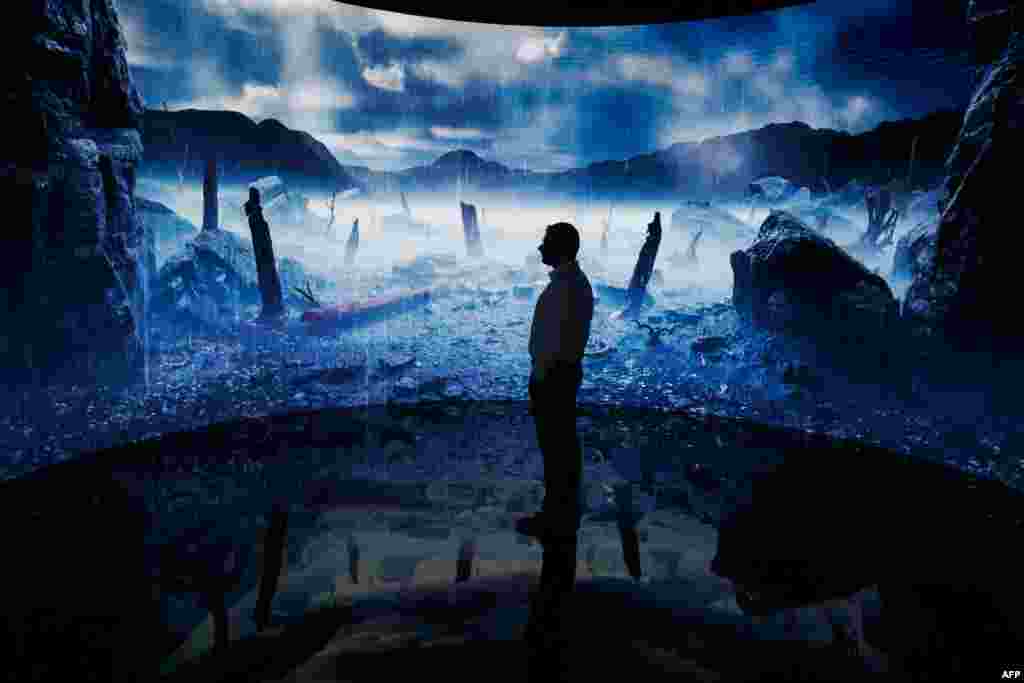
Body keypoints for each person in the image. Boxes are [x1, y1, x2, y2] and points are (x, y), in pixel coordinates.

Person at [516, 222, 594, 542]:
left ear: (560, 248)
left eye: (545, 242)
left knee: (556, 447)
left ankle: (556, 519)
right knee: (561, 447)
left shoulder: (566, 287)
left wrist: (540, 379)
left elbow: (553, 341)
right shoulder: (572, 283)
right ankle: (560, 515)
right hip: (560, 372)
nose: (540, 248)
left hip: (554, 376)